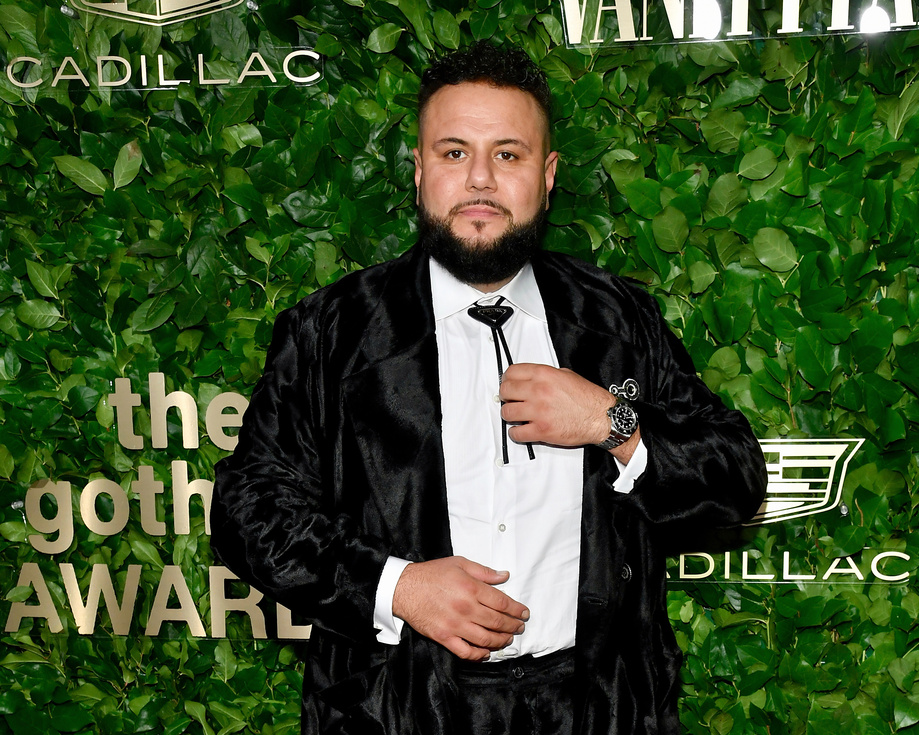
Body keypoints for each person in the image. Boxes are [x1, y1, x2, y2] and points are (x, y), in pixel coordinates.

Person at [211, 42, 767, 735]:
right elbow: (247, 508)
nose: (480, 179)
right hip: (397, 708)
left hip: (599, 708)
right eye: (453, 153)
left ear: (548, 174)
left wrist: (612, 418)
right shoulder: (332, 331)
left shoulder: (618, 318)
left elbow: (736, 473)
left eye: (508, 154)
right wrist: (397, 585)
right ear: (419, 172)